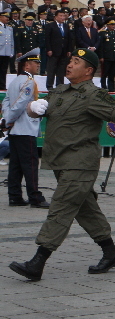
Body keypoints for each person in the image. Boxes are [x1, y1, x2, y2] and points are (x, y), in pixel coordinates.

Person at [9, 49, 115, 281]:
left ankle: (38, 261)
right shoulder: (60, 90)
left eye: (76, 62)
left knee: (60, 209)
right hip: (60, 162)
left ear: (89, 70)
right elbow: (34, 109)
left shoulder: (94, 95)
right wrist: (34, 107)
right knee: (86, 210)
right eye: (70, 60)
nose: (69, 65)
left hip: (80, 164)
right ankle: (111, 253)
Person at [2, 49, 47, 208]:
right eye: (35, 63)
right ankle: (35, 197)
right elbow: (19, 104)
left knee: (16, 165)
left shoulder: (15, 81)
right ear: (27, 65)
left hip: (15, 130)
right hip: (25, 128)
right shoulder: (28, 82)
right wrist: (10, 120)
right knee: (30, 164)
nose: (38, 66)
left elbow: (6, 102)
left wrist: (7, 120)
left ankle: (14, 196)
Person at [43, 9, 72, 90]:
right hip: (53, 51)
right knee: (51, 69)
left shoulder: (66, 26)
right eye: (61, 16)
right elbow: (47, 38)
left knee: (61, 70)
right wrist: (49, 49)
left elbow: (69, 39)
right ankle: (49, 86)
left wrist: (69, 50)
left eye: (64, 16)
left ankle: (60, 86)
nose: (62, 17)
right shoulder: (50, 26)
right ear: (56, 17)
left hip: (63, 52)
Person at [98, 18, 115, 91]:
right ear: (107, 25)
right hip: (106, 57)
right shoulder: (103, 33)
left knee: (112, 74)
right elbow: (101, 46)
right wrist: (101, 56)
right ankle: (103, 87)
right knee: (104, 73)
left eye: (114, 24)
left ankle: (111, 88)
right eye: (111, 25)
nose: (113, 26)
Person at [0, 12, 14, 89]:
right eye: (5, 16)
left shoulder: (9, 28)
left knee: (4, 70)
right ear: (0, 17)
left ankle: (2, 85)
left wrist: (11, 51)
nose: (7, 18)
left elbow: (11, 41)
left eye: (8, 17)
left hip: (6, 52)